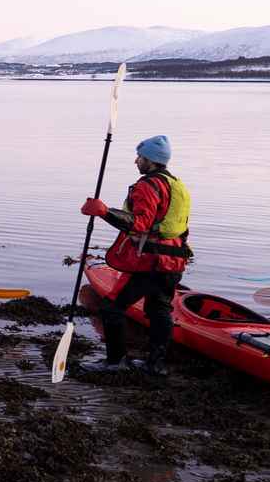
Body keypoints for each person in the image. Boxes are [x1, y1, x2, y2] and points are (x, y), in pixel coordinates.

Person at [78, 135, 193, 377]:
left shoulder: (148, 186)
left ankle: (115, 362)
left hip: (151, 263)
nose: (136, 161)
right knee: (159, 310)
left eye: (140, 157)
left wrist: (104, 211)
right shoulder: (177, 185)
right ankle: (155, 365)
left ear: (151, 160)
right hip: (174, 261)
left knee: (111, 307)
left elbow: (140, 224)